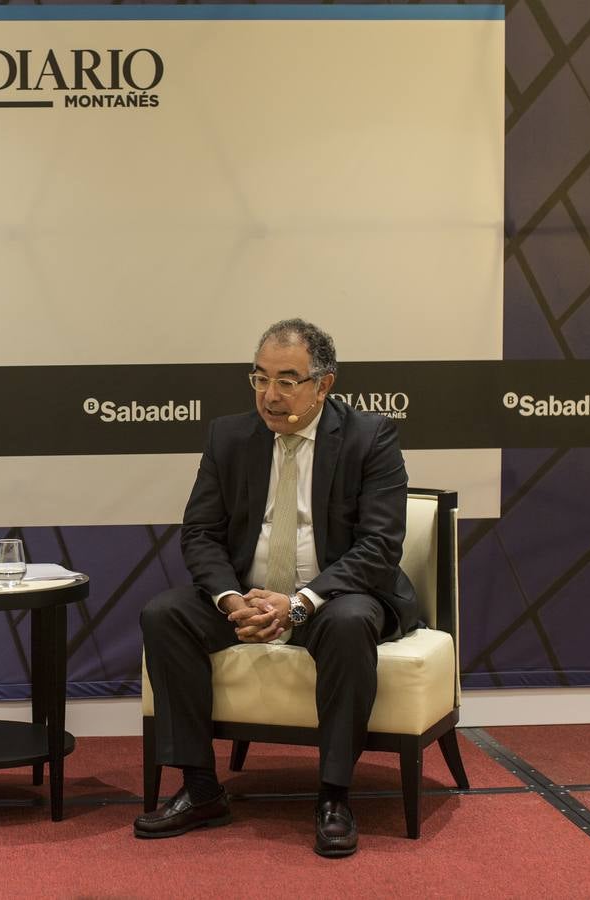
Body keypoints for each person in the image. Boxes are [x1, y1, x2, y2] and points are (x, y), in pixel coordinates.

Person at [134, 318, 417, 858]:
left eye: (288, 380)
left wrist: (299, 603)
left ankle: (334, 796)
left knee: (350, 621)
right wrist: (230, 599)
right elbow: (200, 533)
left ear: (324, 384)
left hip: (332, 595)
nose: (270, 395)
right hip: (249, 593)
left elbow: (379, 546)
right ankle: (199, 788)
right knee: (164, 614)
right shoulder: (229, 436)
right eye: (260, 378)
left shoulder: (370, 436)